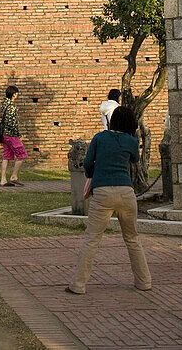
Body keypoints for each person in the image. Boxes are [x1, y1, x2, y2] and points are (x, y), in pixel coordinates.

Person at [68, 105, 151, 294]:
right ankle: (144, 282)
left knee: (92, 239)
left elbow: (88, 163)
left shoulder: (100, 137)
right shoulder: (131, 140)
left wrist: (93, 175)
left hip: (103, 192)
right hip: (126, 192)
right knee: (132, 239)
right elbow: (135, 160)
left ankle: (79, 285)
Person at [0, 85, 26, 187]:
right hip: (11, 135)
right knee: (22, 154)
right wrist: (18, 134)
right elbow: (11, 122)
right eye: (16, 93)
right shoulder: (12, 106)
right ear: (14, 94)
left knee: (6, 156)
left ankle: (3, 180)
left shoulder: (4, 104)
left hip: (4, 134)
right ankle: (14, 176)